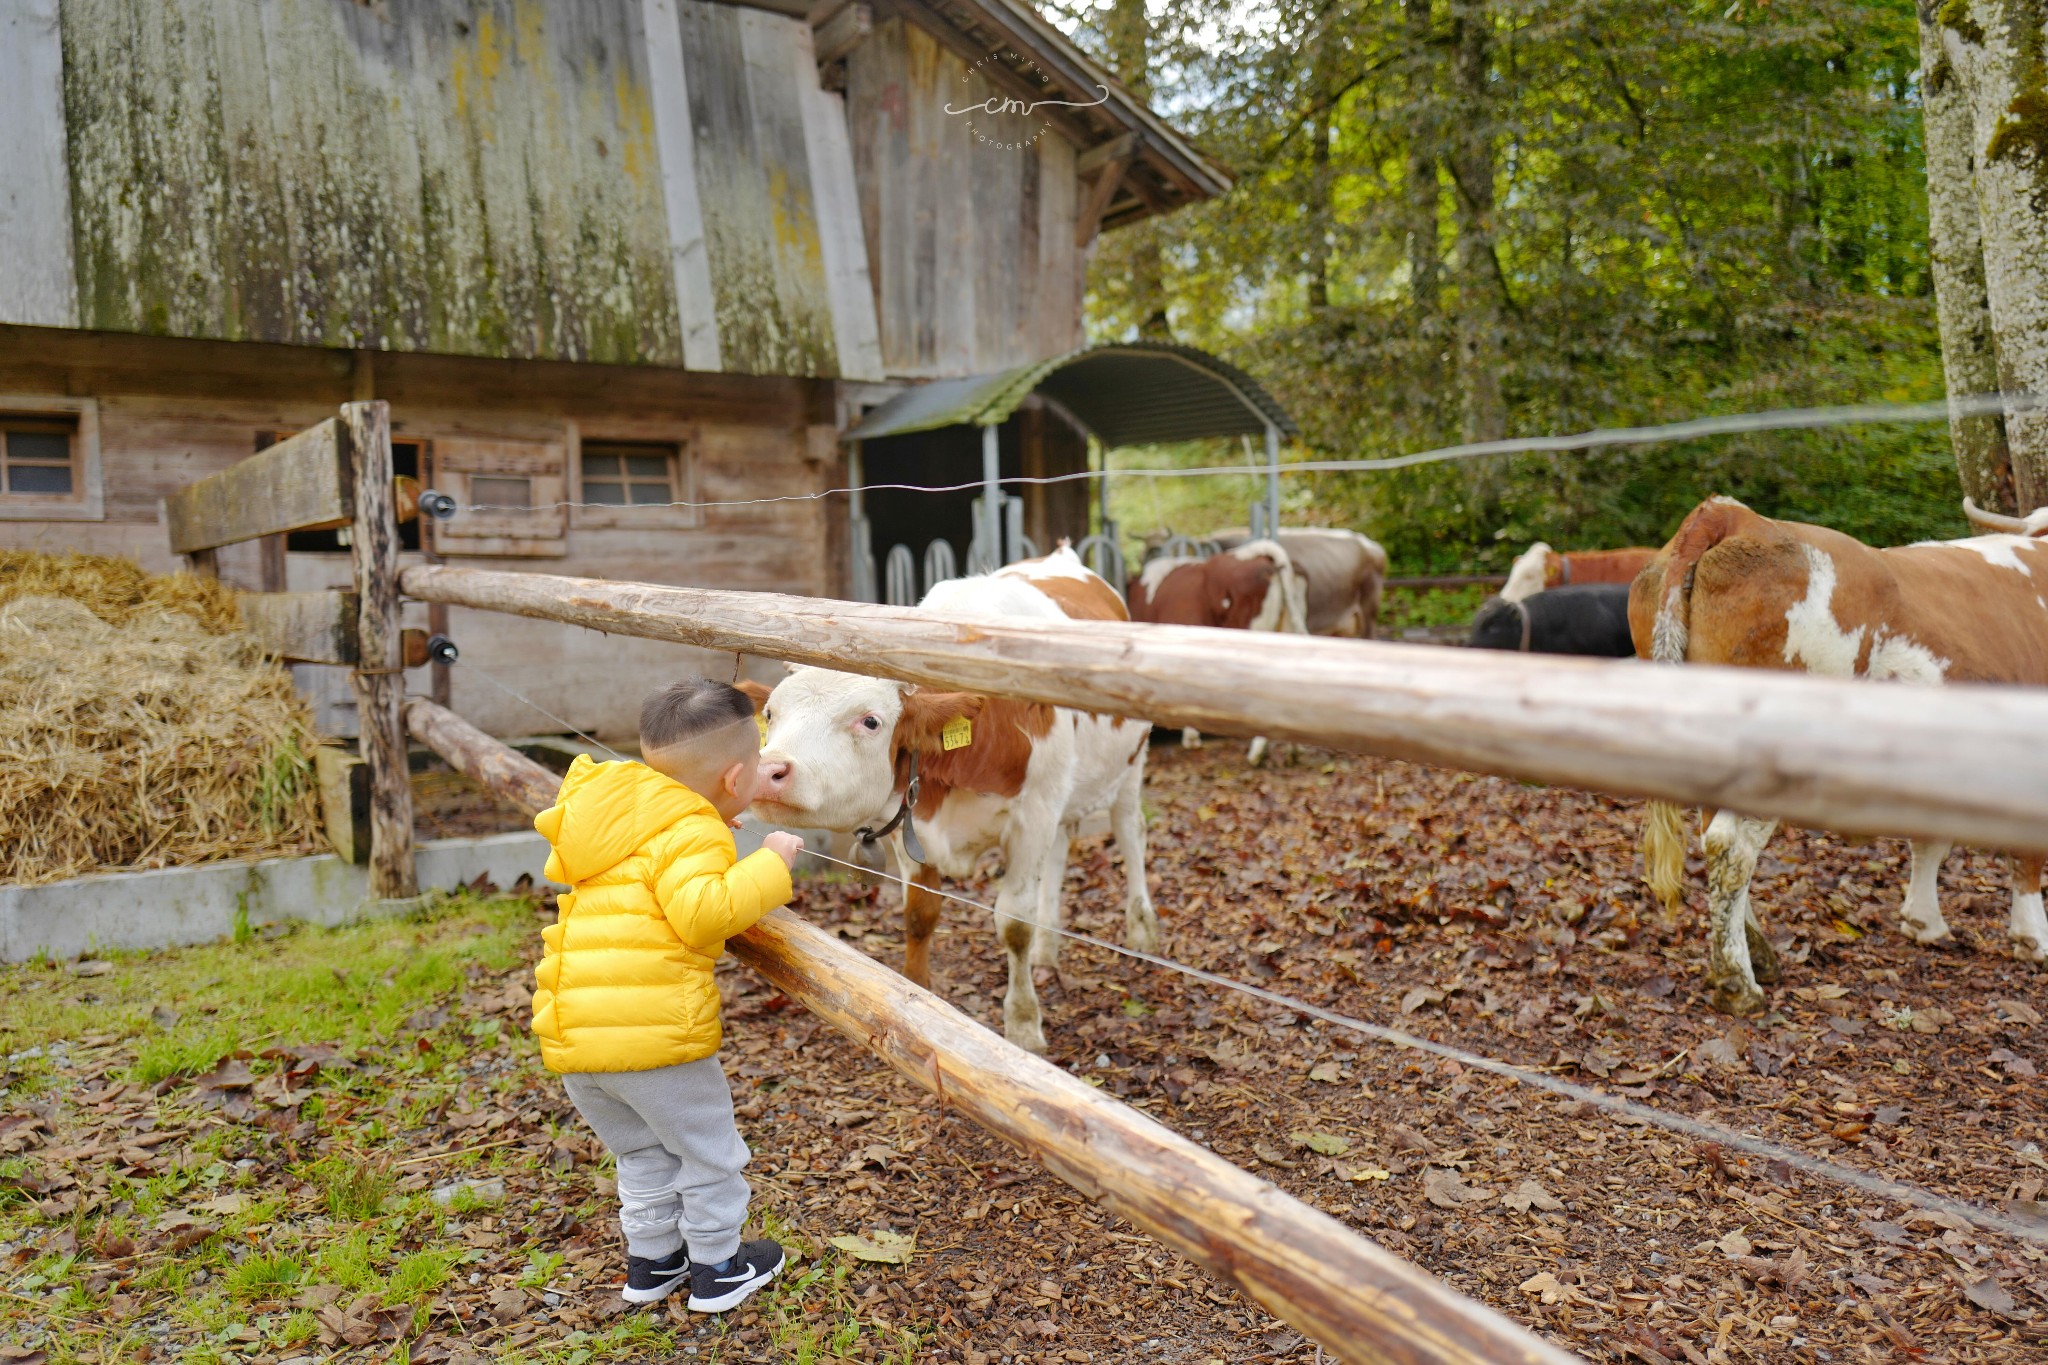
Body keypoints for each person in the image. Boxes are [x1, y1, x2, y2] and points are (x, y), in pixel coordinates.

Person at [530, 676, 805, 1311]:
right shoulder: (693, 831)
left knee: (641, 1152)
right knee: (708, 1153)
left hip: (579, 1037)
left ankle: (653, 1264)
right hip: (656, 1040)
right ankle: (720, 1267)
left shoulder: (620, 813)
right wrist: (770, 862)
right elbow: (702, 912)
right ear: (736, 779)